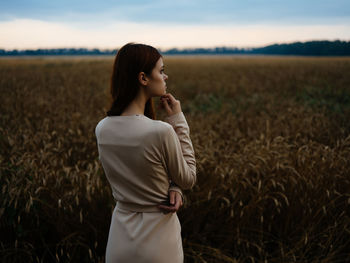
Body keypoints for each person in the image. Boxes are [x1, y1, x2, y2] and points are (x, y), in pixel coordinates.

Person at [95, 42, 196, 263]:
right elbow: (188, 178)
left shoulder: (102, 128)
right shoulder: (161, 131)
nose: (165, 76)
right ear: (143, 78)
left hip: (119, 240)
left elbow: (144, 172)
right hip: (159, 242)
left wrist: (173, 186)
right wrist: (178, 120)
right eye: (161, 71)